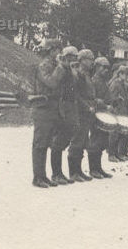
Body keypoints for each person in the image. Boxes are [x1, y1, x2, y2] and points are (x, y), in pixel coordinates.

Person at [30, 39, 67, 188]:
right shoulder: (45, 65)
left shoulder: (54, 65)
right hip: (43, 108)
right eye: (59, 50)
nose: (60, 53)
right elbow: (51, 83)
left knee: (46, 143)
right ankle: (38, 177)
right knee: (40, 144)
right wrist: (60, 68)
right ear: (52, 50)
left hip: (52, 108)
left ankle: (43, 176)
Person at [50, 45, 80, 184]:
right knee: (59, 141)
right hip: (62, 107)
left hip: (69, 107)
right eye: (73, 57)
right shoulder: (61, 68)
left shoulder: (68, 69)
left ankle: (60, 173)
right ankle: (56, 174)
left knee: (66, 137)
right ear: (67, 56)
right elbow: (54, 87)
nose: (75, 60)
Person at [68, 49, 96, 182]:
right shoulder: (78, 74)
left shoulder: (86, 74)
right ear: (82, 60)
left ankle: (78, 170)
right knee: (77, 141)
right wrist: (87, 106)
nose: (92, 62)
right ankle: (73, 172)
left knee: (83, 140)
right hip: (80, 112)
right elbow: (77, 95)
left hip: (87, 112)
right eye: (90, 59)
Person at [88, 56, 113, 179]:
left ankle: (98, 168)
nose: (106, 70)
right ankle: (93, 169)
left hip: (104, 115)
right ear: (97, 67)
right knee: (95, 142)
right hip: (96, 115)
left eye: (108, 68)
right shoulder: (94, 81)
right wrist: (104, 104)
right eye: (104, 67)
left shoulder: (103, 81)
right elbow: (92, 99)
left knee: (102, 141)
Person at [108, 65, 128, 162]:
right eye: (125, 74)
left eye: (127, 74)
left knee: (120, 133)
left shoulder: (122, 84)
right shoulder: (115, 83)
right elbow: (111, 98)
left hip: (122, 111)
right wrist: (118, 99)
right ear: (120, 74)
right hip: (116, 111)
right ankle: (111, 155)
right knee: (114, 134)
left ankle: (117, 154)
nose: (126, 76)